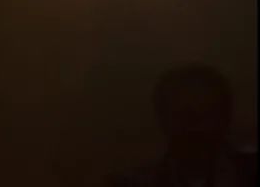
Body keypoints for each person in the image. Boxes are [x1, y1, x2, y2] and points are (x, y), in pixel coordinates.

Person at [106, 63, 257, 187]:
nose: (195, 127)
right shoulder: (133, 183)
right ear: (162, 119)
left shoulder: (249, 173)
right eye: (185, 116)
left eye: (207, 114)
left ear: (225, 118)